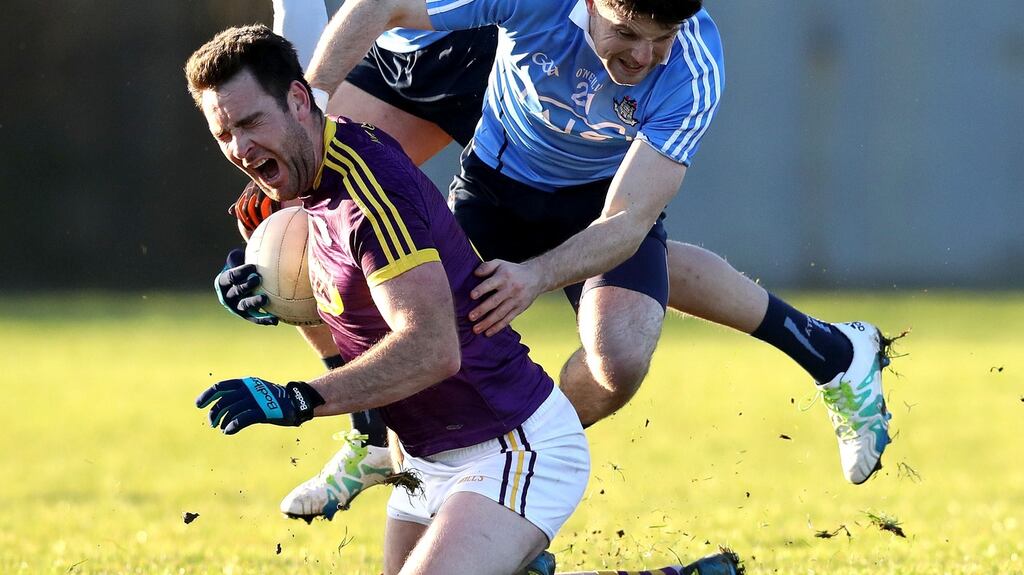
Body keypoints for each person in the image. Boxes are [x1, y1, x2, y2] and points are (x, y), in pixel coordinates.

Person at [224, 0, 896, 522]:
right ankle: (408, 456)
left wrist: (536, 274)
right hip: (493, 182)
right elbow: (381, 6)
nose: (645, 57)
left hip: (595, 203)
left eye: (661, 38)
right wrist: (304, 106)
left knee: (622, 358)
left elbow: (629, 220)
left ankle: (507, 474)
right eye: (628, 33)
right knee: (397, 313)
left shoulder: (693, 68)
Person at [187, 25, 589, 575]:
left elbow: (431, 348)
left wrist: (298, 398)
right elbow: (340, 301)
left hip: (510, 446)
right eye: (223, 133)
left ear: (300, 101)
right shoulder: (297, 183)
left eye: (252, 122)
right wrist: (267, 292)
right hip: (423, 458)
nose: (239, 148)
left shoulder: (368, 191)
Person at [219, 1, 502, 521]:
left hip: (501, 49)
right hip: (395, 50)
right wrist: (264, 264)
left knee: (597, 269)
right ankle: (373, 431)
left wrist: (309, 99)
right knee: (274, 220)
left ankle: (504, 487)